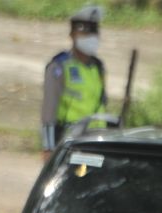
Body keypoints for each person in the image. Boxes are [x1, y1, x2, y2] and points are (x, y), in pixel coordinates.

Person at [41, 5, 107, 162]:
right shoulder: (60, 66)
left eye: (93, 32)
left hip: (97, 140)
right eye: (84, 31)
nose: (90, 37)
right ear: (72, 35)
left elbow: (102, 103)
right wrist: (48, 147)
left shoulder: (98, 67)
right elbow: (48, 111)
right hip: (69, 141)